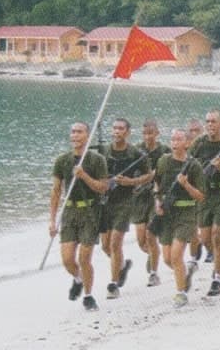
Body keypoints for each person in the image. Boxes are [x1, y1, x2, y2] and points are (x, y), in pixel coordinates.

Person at [49, 122, 109, 311]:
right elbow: (56, 191)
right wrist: (52, 219)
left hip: (90, 211)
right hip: (70, 211)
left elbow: (103, 187)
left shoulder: (96, 160)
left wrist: (83, 176)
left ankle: (89, 296)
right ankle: (78, 278)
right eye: (72, 132)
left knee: (84, 258)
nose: (75, 135)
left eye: (79, 132)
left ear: (87, 135)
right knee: (67, 259)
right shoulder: (62, 160)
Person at [99, 118, 153, 299]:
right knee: (105, 246)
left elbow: (149, 175)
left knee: (115, 243)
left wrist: (131, 182)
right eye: (114, 128)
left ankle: (113, 285)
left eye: (121, 128)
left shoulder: (135, 153)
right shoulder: (104, 151)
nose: (117, 131)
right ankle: (122, 266)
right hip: (105, 201)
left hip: (125, 201)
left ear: (128, 132)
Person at [189, 109, 220, 296]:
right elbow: (189, 165)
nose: (210, 125)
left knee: (219, 235)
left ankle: (217, 278)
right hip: (205, 194)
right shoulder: (199, 143)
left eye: (213, 121)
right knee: (205, 238)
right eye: (207, 121)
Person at [152, 128, 205, 307]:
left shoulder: (194, 166)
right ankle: (183, 276)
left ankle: (181, 293)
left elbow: (201, 196)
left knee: (176, 255)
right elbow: (157, 183)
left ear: (187, 143)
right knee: (167, 258)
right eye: (172, 140)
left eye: (179, 140)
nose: (174, 143)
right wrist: (157, 201)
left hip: (187, 213)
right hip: (167, 213)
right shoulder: (163, 161)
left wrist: (186, 185)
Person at [136, 119, 170, 287]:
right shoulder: (137, 150)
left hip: (156, 196)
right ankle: (153, 253)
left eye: (150, 133)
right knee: (141, 240)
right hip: (139, 198)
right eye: (144, 133)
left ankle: (154, 273)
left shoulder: (164, 151)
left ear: (157, 133)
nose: (147, 137)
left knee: (150, 234)